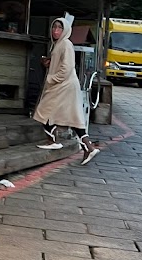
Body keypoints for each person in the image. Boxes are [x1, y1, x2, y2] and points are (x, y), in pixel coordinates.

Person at [33, 14, 99, 165]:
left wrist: (51, 78)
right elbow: (62, 64)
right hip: (65, 85)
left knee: (44, 111)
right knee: (72, 118)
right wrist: (50, 63)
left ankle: (53, 141)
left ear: (65, 30)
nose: (56, 30)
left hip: (63, 85)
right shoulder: (59, 44)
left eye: (59, 27)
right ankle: (88, 147)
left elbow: (67, 68)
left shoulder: (65, 44)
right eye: (54, 27)